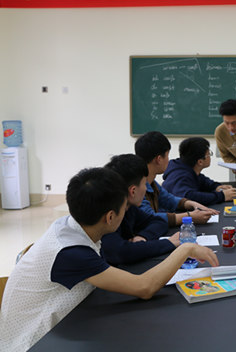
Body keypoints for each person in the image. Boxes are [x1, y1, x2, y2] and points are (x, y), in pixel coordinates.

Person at [0, 167, 218, 351]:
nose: (127, 212)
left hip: (69, 326)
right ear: (111, 217)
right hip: (33, 342)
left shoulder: (72, 225)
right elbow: (144, 287)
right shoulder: (71, 252)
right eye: (125, 208)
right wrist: (185, 249)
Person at [102, 154, 180, 265]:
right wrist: (169, 243)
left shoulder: (129, 208)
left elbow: (158, 221)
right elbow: (120, 252)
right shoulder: (105, 214)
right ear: (133, 191)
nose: (146, 189)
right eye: (144, 184)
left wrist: (143, 236)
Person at [135, 131, 218, 226]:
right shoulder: (137, 187)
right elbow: (150, 218)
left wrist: (192, 204)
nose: (168, 159)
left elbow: (169, 199)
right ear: (159, 159)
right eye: (167, 155)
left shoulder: (152, 183)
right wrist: (189, 217)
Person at [162, 137, 236, 205]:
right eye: (208, 155)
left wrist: (217, 187)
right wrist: (222, 196)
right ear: (200, 162)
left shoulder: (187, 168)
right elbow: (190, 197)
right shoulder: (181, 176)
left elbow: (203, 181)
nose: (210, 157)